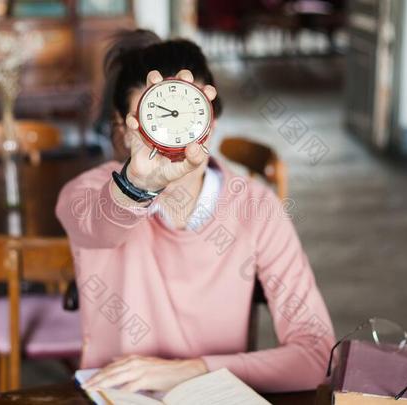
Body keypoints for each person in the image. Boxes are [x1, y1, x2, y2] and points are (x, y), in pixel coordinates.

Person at [56, 29, 335, 394]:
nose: (172, 140)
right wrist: (139, 185)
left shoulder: (256, 208)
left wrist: (192, 370)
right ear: (124, 129)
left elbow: (317, 356)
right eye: (153, 122)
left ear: (211, 121)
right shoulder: (87, 193)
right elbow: (100, 228)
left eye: (186, 119)